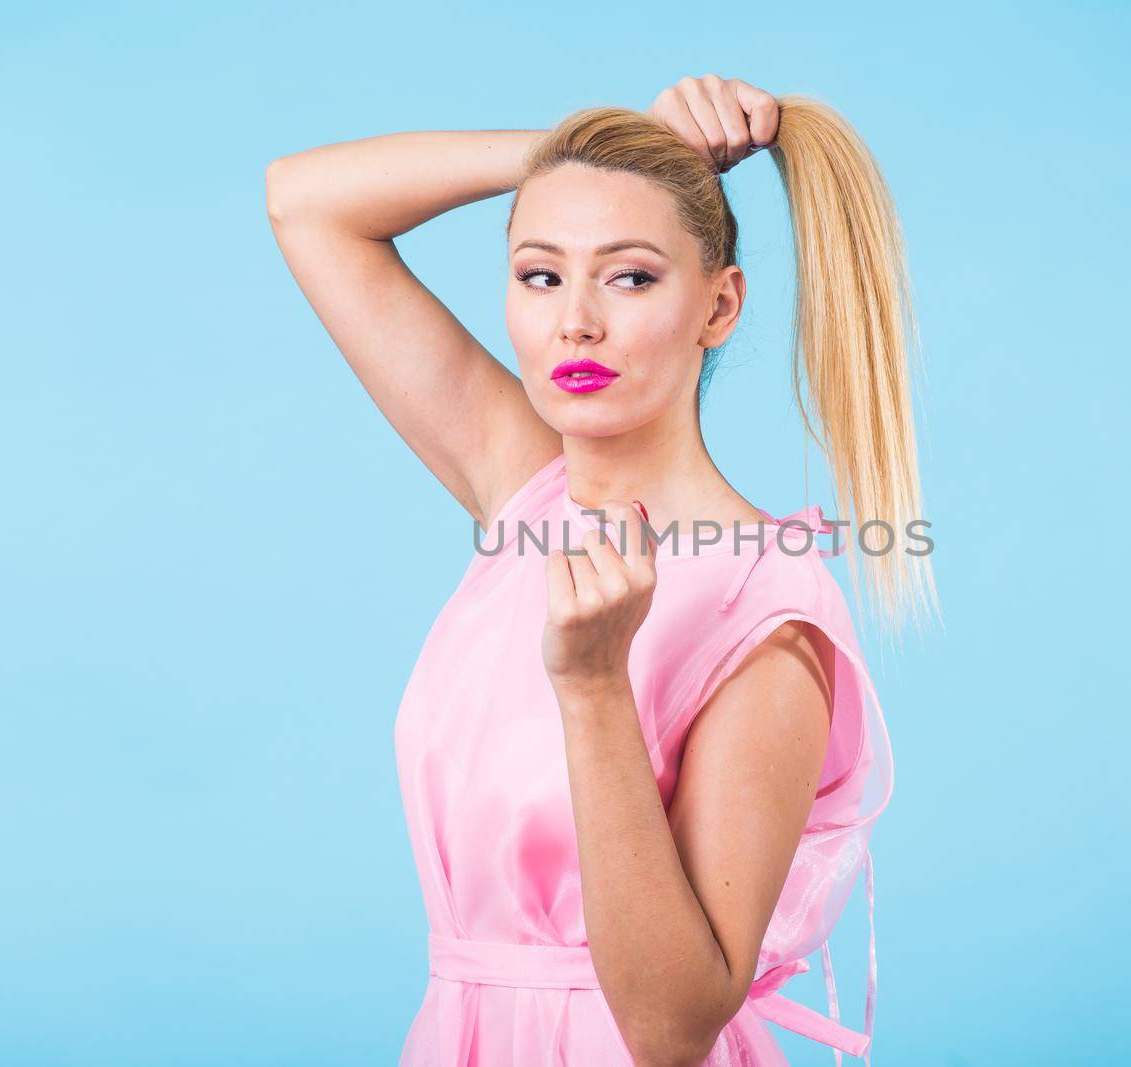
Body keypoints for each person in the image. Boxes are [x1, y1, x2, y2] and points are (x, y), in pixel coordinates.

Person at [266, 73, 937, 1066]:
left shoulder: (768, 609)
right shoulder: (524, 490)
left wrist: (592, 687)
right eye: (540, 274)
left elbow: (670, 1029)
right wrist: (599, 150)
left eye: (628, 276)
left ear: (719, 305)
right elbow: (306, 201)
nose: (575, 321)